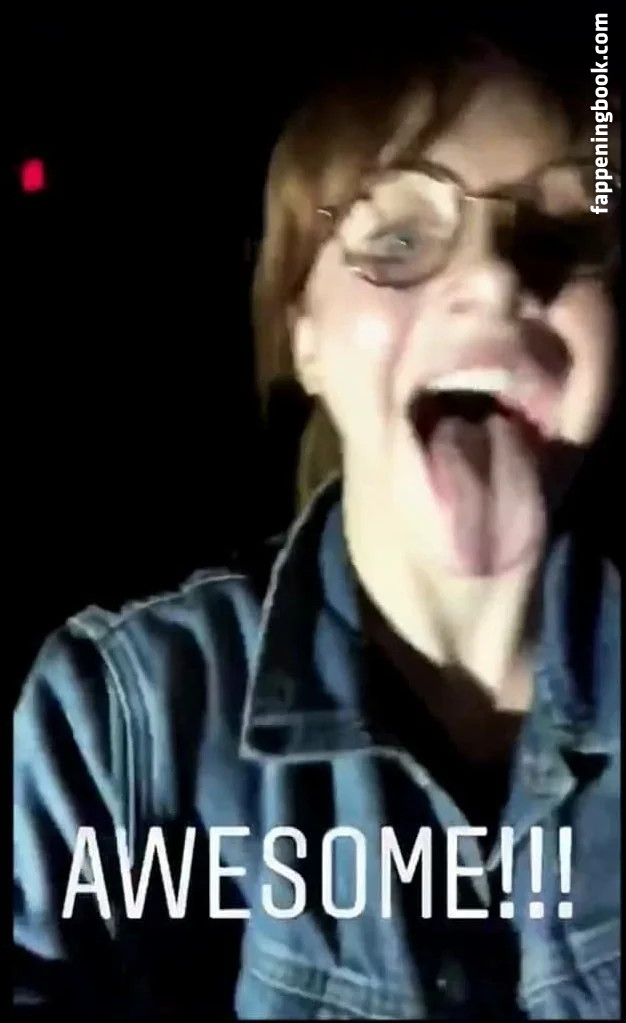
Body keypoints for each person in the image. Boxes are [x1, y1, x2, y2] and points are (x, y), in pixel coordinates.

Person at [14, 32, 620, 1020]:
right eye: (398, 240)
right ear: (304, 338)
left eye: (556, 234)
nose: (496, 279)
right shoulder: (116, 727)